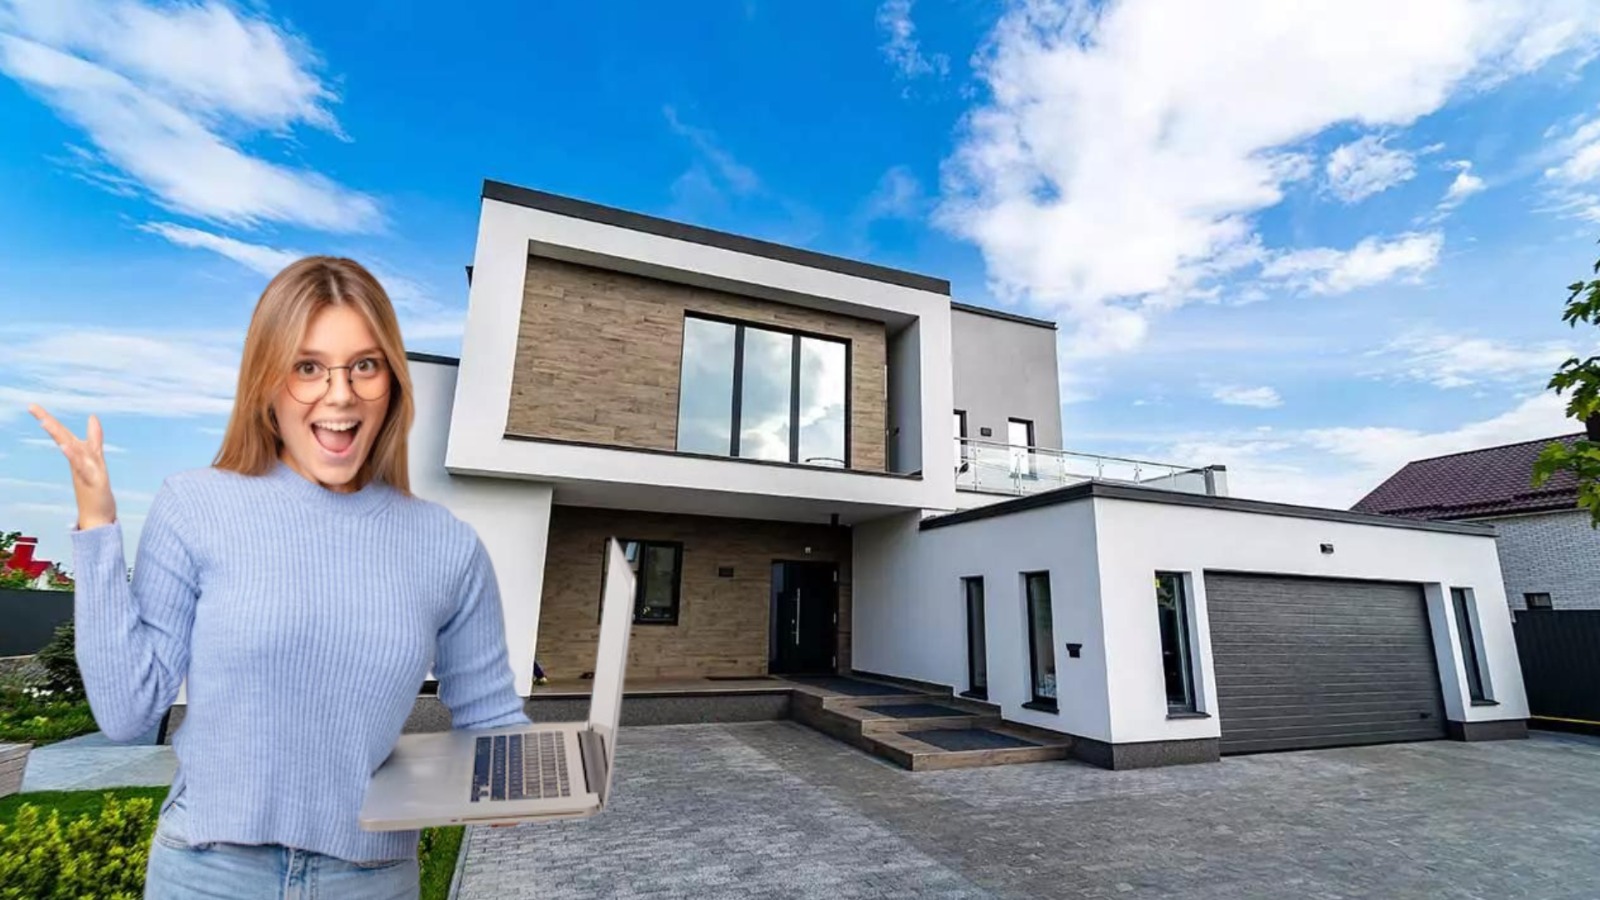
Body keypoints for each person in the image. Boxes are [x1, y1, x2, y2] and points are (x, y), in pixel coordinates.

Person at [29, 257, 531, 899]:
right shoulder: (195, 505)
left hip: (369, 879)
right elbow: (128, 713)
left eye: (364, 365)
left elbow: (490, 717)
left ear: (392, 383)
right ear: (266, 382)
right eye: (308, 367)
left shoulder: (447, 545)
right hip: (208, 874)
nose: (340, 394)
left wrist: (528, 780)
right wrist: (98, 528)